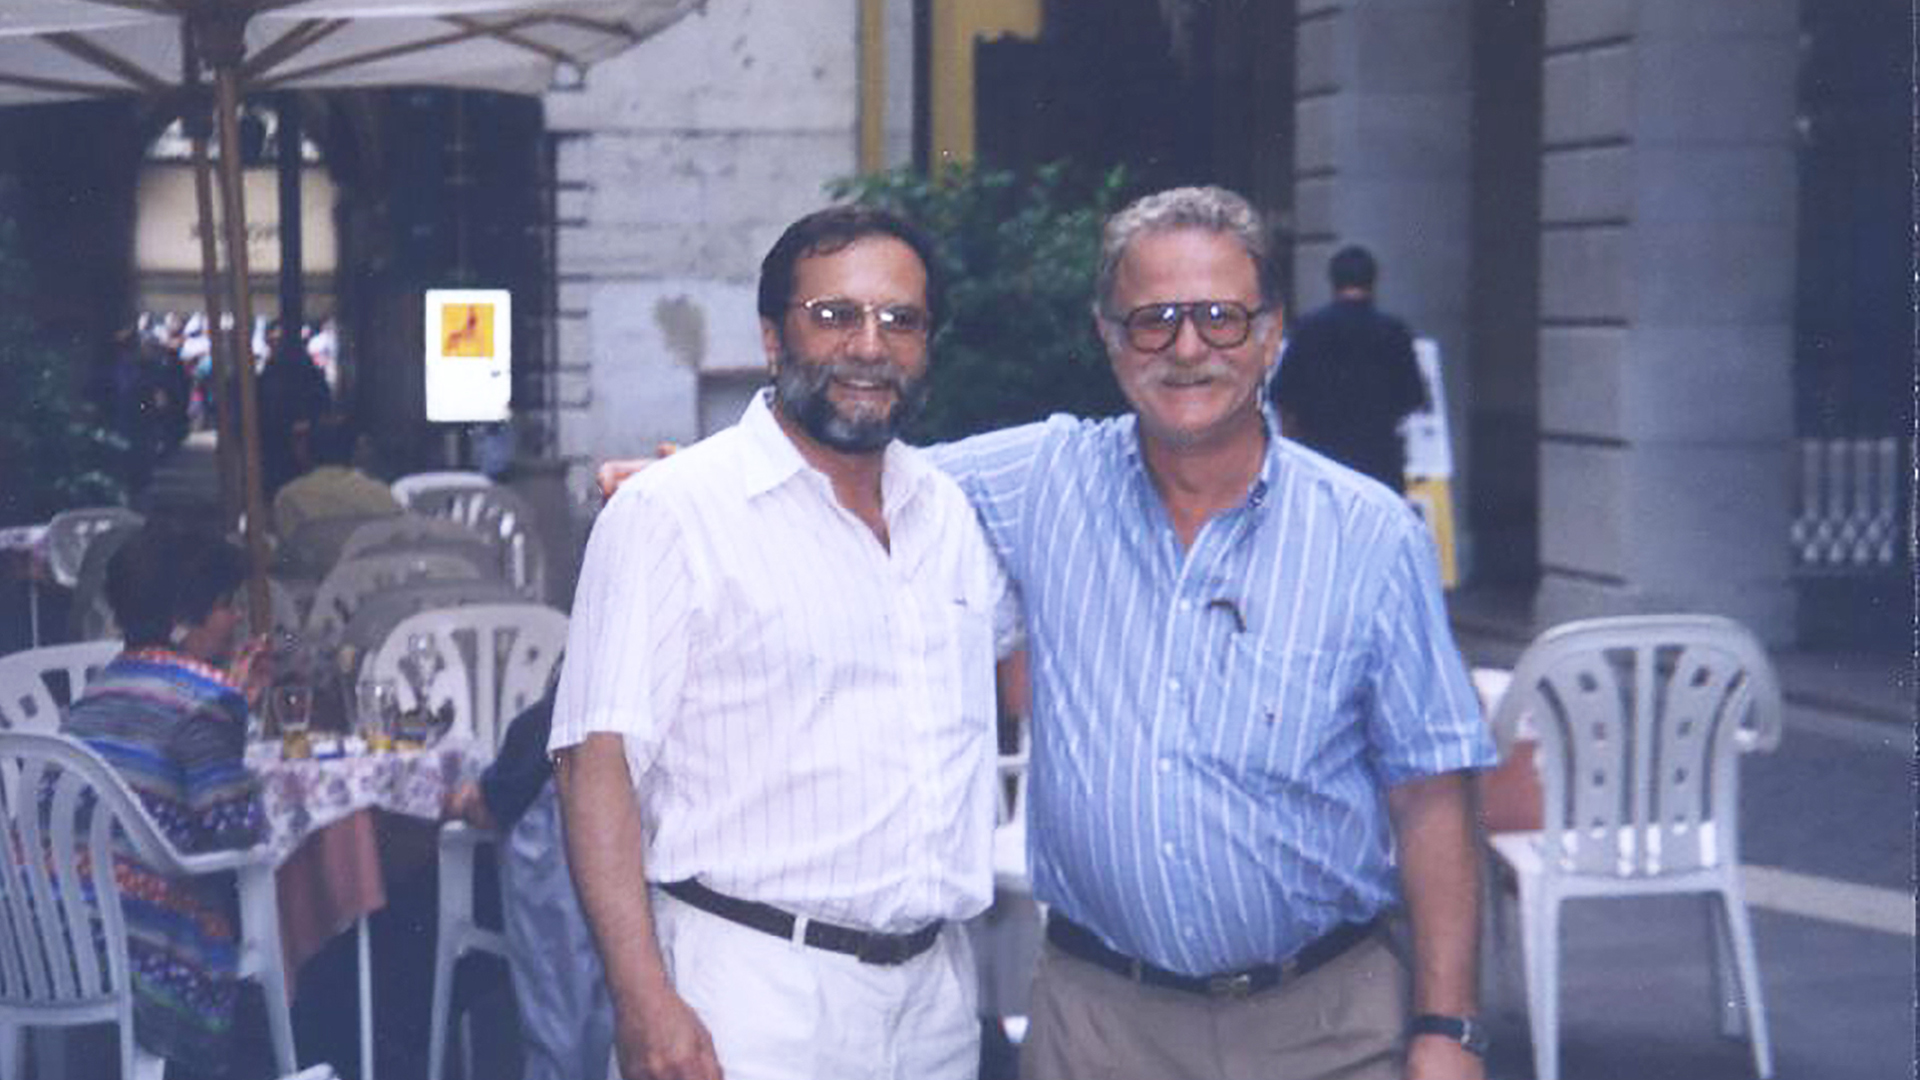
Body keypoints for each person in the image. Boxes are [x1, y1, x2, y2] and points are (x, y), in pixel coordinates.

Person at [594, 189, 1495, 1080]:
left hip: (1325, 1024)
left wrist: (1446, 1025)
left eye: (1221, 318)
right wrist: (692, 481)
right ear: (1108, 338)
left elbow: (1433, 793)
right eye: (1153, 320)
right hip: (1098, 1028)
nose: (1188, 348)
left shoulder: (1372, 537)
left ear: (1271, 334)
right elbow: (843, 467)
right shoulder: (1043, 481)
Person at [551, 205, 1018, 1080]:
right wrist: (641, 997)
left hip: (935, 1006)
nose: (870, 346)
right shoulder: (673, 512)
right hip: (748, 1000)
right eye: (835, 315)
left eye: (901, 319)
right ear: (773, 338)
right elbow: (594, 762)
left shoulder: (946, 514)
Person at [60, 523, 268, 1075]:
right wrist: (233, 715)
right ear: (184, 614)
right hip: (142, 945)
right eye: (225, 604)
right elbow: (238, 828)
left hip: (54, 937)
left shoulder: (101, 687)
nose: (236, 618)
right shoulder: (205, 699)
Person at [444, 684, 614, 1080]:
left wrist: (477, 799)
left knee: (562, 1011)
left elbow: (495, 801)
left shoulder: (566, 705)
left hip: (560, 831)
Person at [1270, 243, 1429, 491]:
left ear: (1333, 281)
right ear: (1373, 281)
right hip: (1379, 464)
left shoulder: (1309, 329)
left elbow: (1283, 397)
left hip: (1321, 462)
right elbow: (1413, 398)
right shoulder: (1394, 331)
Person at [271, 413, 403, 542]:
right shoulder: (381, 493)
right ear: (355, 450)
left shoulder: (290, 497)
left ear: (307, 451)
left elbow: (289, 547)